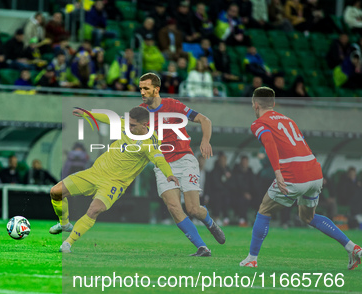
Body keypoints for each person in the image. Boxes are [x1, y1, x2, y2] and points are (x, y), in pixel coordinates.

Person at [239, 87, 362, 269]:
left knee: (264, 209)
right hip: (314, 172)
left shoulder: (259, 123)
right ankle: (353, 248)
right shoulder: (289, 120)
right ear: (273, 104)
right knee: (307, 217)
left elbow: (269, 143)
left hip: (293, 175)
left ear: (255, 105)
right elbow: (301, 144)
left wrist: (278, 172)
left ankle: (251, 259)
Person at [49, 106, 179, 253]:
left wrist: (169, 174)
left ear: (145, 125)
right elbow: (109, 119)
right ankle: (64, 224)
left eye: (132, 125)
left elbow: (159, 159)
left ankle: (68, 243)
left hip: (114, 183)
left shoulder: (150, 143)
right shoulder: (126, 124)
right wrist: (88, 114)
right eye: (128, 123)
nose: (128, 127)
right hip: (95, 172)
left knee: (94, 209)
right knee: (56, 192)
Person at [138, 72, 225, 256]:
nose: (142, 92)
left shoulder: (173, 105)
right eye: (140, 88)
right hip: (163, 165)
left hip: (185, 159)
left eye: (146, 88)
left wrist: (205, 141)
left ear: (156, 89)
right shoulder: (141, 112)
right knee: (173, 207)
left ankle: (208, 221)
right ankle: (202, 247)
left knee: (193, 209)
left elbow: (204, 120)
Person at [232, 155, 256, 226]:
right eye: (243, 162)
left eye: (246, 162)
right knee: (242, 201)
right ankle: (242, 219)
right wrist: (244, 193)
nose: (244, 164)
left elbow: (254, 185)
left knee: (260, 199)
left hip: (251, 195)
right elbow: (235, 186)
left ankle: (257, 219)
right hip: (239, 195)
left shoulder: (251, 173)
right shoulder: (236, 173)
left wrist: (251, 194)